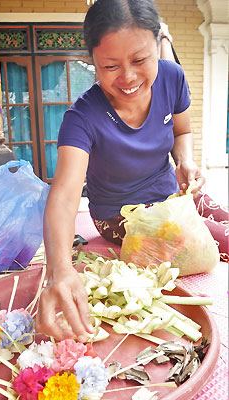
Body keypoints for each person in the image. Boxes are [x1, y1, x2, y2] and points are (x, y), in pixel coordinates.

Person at [35, 0, 229, 343]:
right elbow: (64, 196)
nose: (128, 77)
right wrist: (60, 270)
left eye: (140, 60)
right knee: (214, 239)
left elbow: (181, 132)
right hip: (119, 214)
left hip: (170, 194)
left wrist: (185, 162)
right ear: (92, 62)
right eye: (110, 66)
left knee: (224, 221)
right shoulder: (82, 118)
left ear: (158, 44)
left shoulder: (172, 77)